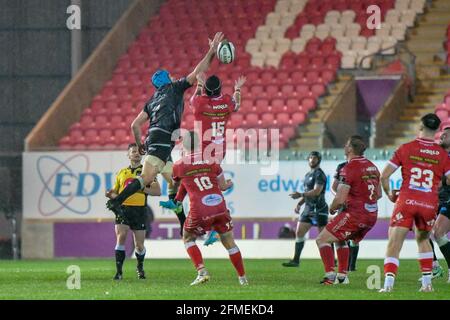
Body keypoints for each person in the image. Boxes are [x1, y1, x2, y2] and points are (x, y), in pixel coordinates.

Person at [106, 32, 225, 235]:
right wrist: (212, 51)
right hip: (163, 139)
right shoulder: (174, 87)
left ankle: (183, 224)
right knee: (153, 178)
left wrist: (141, 145)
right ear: (166, 80)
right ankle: (118, 201)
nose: (171, 77)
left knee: (175, 181)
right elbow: (198, 71)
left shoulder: (151, 101)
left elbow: (135, 125)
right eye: (169, 76)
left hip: (155, 139)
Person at [161, 72, 246, 246]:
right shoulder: (227, 102)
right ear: (220, 90)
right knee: (206, 184)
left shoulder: (200, 104)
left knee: (189, 174)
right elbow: (236, 105)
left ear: (206, 89)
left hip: (203, 149)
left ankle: (209, 225)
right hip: (219, 151)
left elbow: (193, 99)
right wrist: (237, 89)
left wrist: (198, 85)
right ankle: (177, 202)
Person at [379, 114, 450, 292]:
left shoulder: (406, 148)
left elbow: (384, 175)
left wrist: (389, 193)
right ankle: (427, 285)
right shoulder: (442, 154)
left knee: (395, 242)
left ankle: (388, 286)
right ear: (435, 130)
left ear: (420, 126)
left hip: (407, 200)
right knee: (424, 239)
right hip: (429, 204)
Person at [173, 131, 248, 286]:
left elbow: (176, 184)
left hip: (200, 208)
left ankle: (202, 272)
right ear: (200, 144)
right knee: (229, 241)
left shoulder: (179, 165)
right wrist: (229, 184)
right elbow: (223, 186)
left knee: (187, 237)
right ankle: (242, 278)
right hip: (219, 206)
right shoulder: (212, 160)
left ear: (183, 145)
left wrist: (177, 199)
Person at [316, 136, 381, 285]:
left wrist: (332, 208)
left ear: (350, 148)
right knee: (340, 240)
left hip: (355, 214)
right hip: (371, 215)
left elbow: (339, 199)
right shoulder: (372, 166)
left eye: (346, 144)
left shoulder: (349, 168)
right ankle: (342, 277)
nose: (344, 147)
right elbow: (379, 194)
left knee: (322, 239)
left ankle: (330, 276)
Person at [106, 143, 161, 280]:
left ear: (142, 154)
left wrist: (140, 189)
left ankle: (140, 267)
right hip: (123, 209)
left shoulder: (147, 173)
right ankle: (119, 272)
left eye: (138, 151)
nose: (136, 153)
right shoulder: (121, 173)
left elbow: (157, 191)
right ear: (128, 155)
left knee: (139, 245)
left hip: (139, 210)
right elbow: (115, 192)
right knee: (121, 237)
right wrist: (110, 193)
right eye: (133, 151)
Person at [282, 151, 328, 267]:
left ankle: (331, 259)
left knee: (324, 237)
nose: (312, 160)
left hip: (319, 208)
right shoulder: (308, 175)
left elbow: (317, 191)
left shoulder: (319, 174)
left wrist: (301, 195)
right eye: (310, 157)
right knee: (299, 232)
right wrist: (300, 203)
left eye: (315, 158)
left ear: (319, 160)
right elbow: (308, 193)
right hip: (308, 208)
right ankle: (296, 260)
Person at [332, 161, 359, 272]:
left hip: (357, 206)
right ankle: (345, 266)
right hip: (343, 205)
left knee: (354, 238)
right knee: (340, 235)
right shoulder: (341, 166)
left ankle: (352, 265)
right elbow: (333, 187)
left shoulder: (362, 166)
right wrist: (340, 198)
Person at [432, 126, 450, 283]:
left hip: (447, 198)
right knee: (431, 232)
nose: (442, 135)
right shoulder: (439, 156)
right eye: (442, 134)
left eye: (446, 134)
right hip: (441, 199)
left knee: (436, 232)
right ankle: (434, 266)